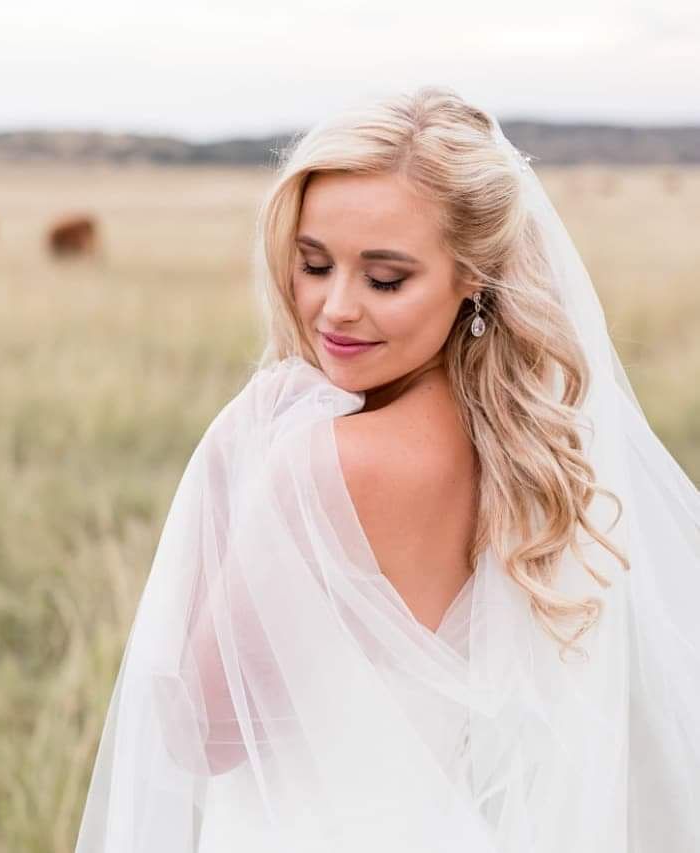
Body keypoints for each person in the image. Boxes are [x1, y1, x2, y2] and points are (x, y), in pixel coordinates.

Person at [74, 86, 700, 852]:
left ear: (472, 275)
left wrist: (231, 461)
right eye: (312, 263)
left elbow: (202, 733)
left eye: (384, 279)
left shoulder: (323, 460)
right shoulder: (525, 441)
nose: (334, 307)